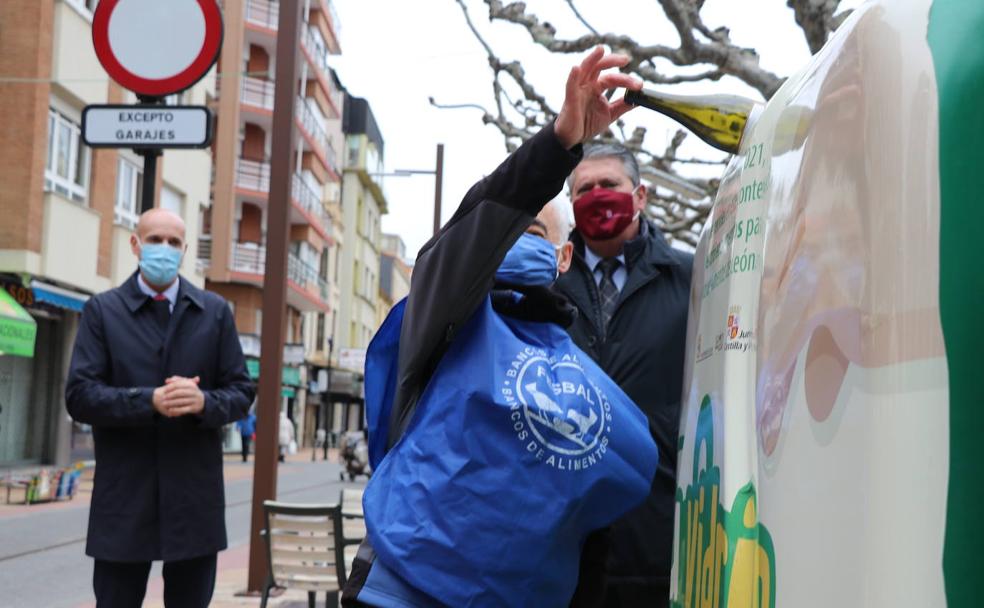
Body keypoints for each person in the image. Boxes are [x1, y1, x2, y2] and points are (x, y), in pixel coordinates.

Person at [341, 48, 657, 608]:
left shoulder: (578, 364)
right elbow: (480, 222)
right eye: (510, 229)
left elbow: (592, 515)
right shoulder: (444, 318)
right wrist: (558, 144)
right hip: (400, 593)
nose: (513, 242)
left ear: (563, 259)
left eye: (534, 232)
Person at [65, 208, 254, 608]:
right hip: (124, 498)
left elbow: (241, 392)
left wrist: (204, 402)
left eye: (173, 242)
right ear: (135, 245)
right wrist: (147, 400)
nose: (164, 249)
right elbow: (79, 395)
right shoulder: (102, 310)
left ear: (185, 249)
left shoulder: (215, 312)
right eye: (155, 240)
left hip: (193, 500)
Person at [554, 142, 694, 607]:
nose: (596, 196)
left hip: (657, 532)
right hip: (564, 538)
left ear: (641, 195)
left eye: (608, 185)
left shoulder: (689, 278)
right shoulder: (546, 288)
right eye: (584, 189)